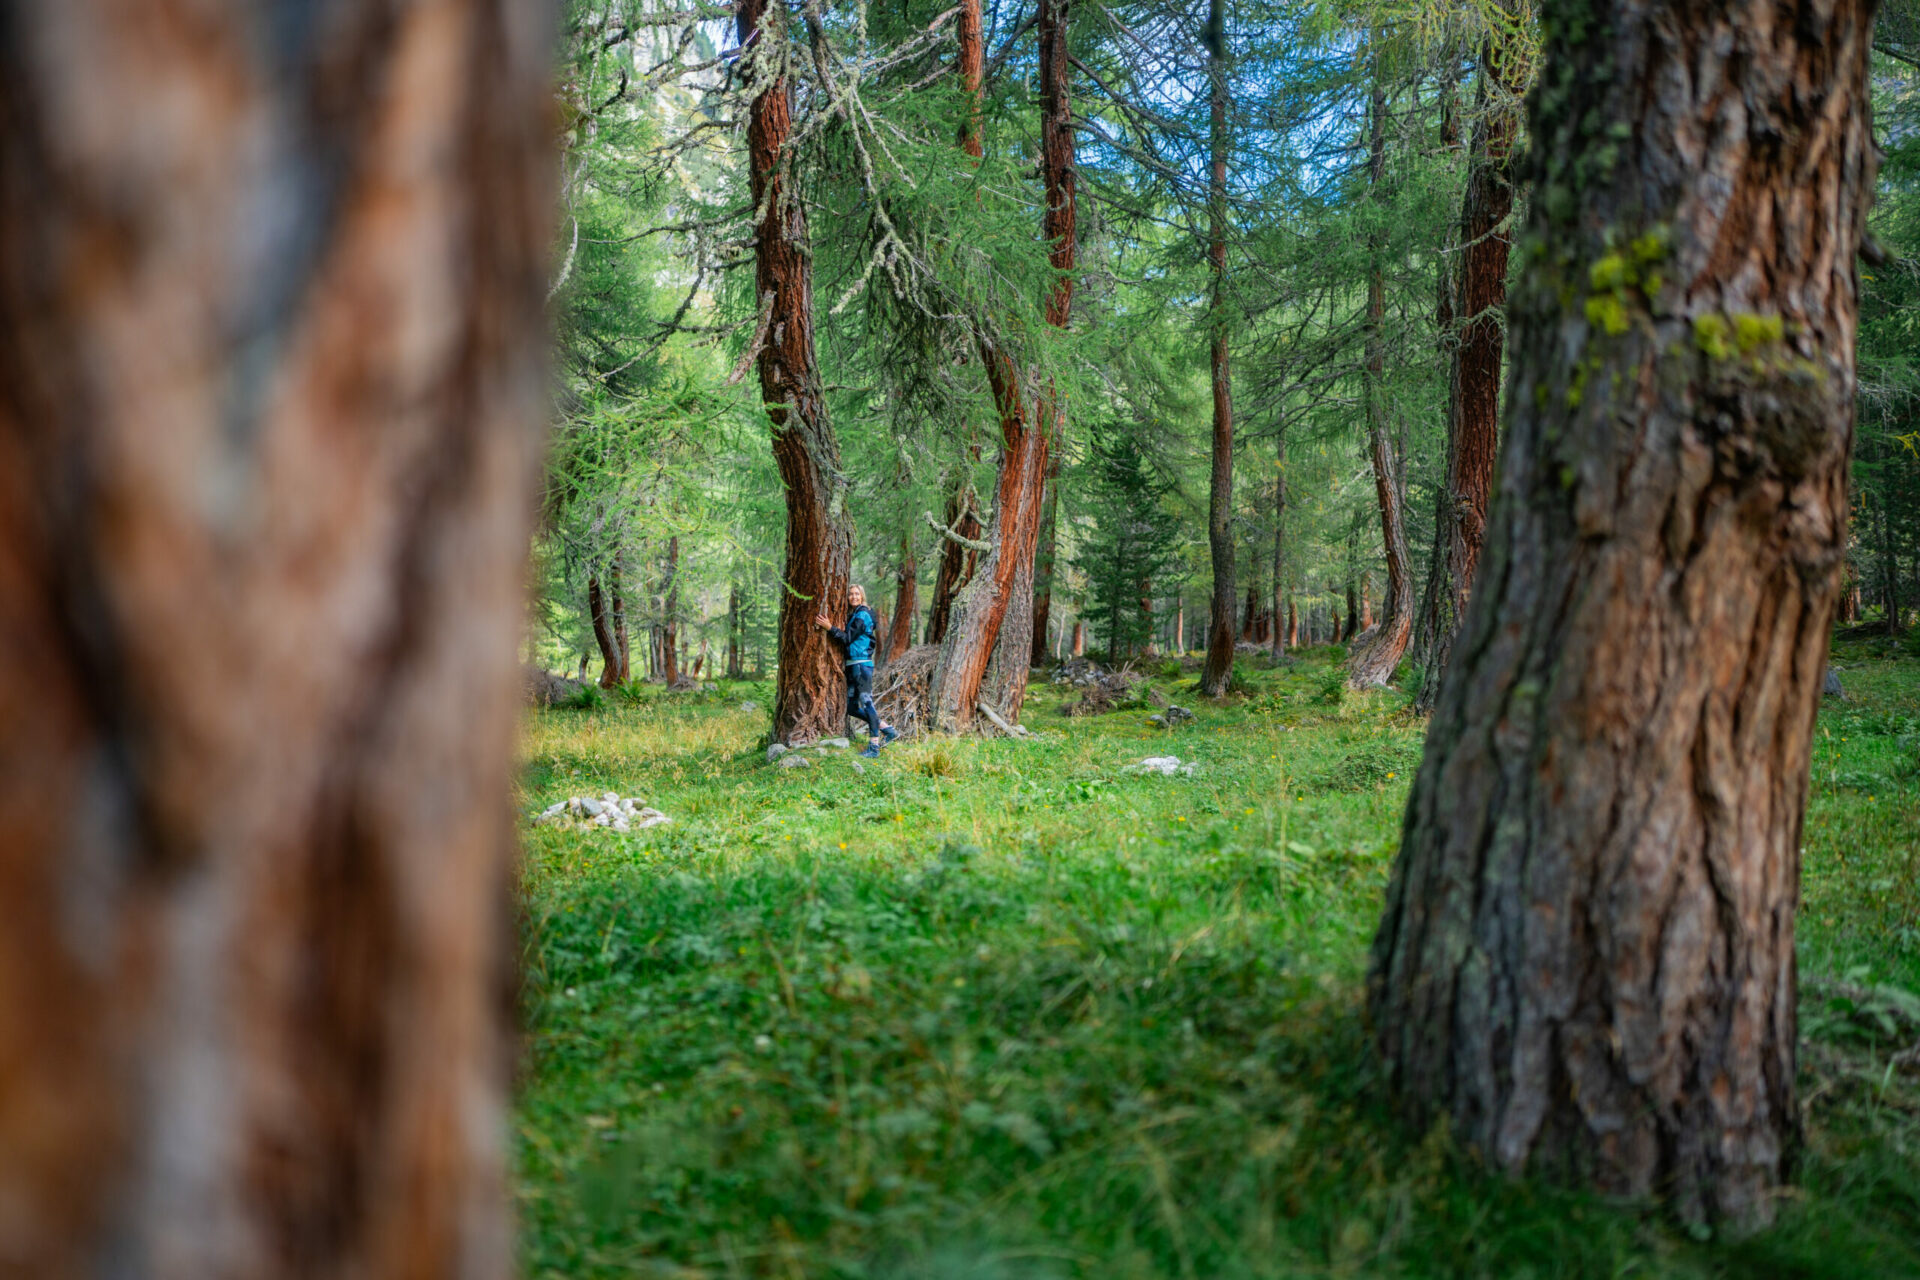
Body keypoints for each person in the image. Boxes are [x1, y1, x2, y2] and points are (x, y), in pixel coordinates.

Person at [815, 584, 899, 757]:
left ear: (862, 596)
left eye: (857, 594)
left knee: (867, 704)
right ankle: (888, 730)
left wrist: (829, 627)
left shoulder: (863, 615)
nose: (853, 597)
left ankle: (874, 747)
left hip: (861, 666)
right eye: (851, 594)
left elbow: (847, 638)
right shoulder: (856, 614)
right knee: (852, 708)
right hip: (853, 665)